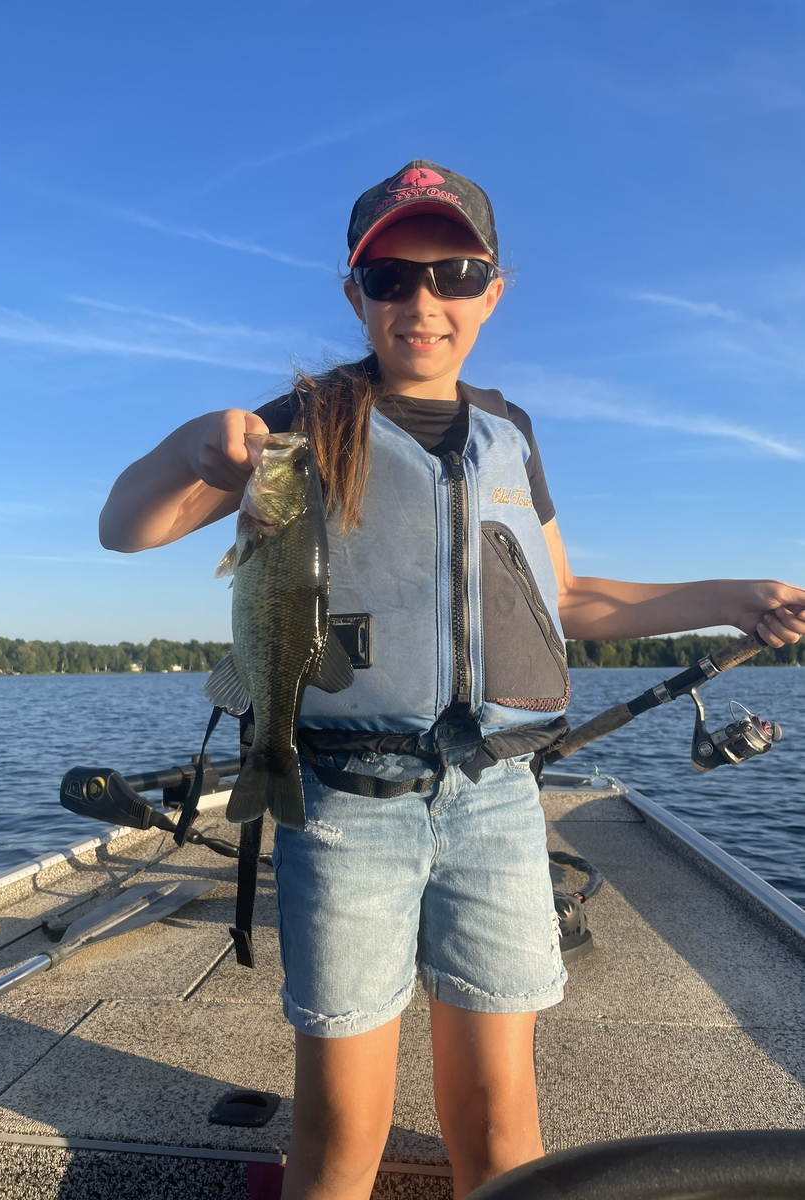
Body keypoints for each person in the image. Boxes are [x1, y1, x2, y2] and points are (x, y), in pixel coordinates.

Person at [99, 161, 805, 1200]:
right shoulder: (297, 426)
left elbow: (565, 600)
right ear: (355, 293)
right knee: (342, 1133)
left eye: (455, 272)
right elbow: (125, 528)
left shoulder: (511, 433)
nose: (422, 302)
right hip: (342, 804)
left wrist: (729, 597)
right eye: (390, 276)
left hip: (496, 803)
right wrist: (193, 449)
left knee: (503, 1124)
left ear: (493, 289)